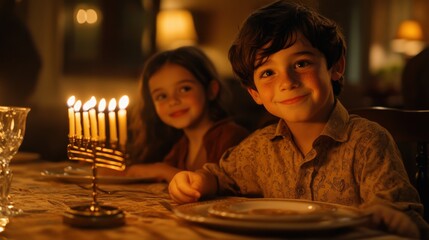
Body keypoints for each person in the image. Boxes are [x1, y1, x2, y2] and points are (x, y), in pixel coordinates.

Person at [168, 1, 428, 238]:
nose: (287, 82)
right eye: (268, 72)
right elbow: (222, 177)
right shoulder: (259, 148)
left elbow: (401, 212)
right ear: (255, 93)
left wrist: (392, 218)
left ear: (335, 67)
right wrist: (199, 181)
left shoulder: (368, 141)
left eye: (301, 63)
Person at [100, 46, 249, 182]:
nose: (173, 101)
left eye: (184, 89)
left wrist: (163, 170)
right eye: (162, 96)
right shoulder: (181, 146)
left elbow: (225, 185)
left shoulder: (233, 138)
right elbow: (153, 173)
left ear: (211, 90)